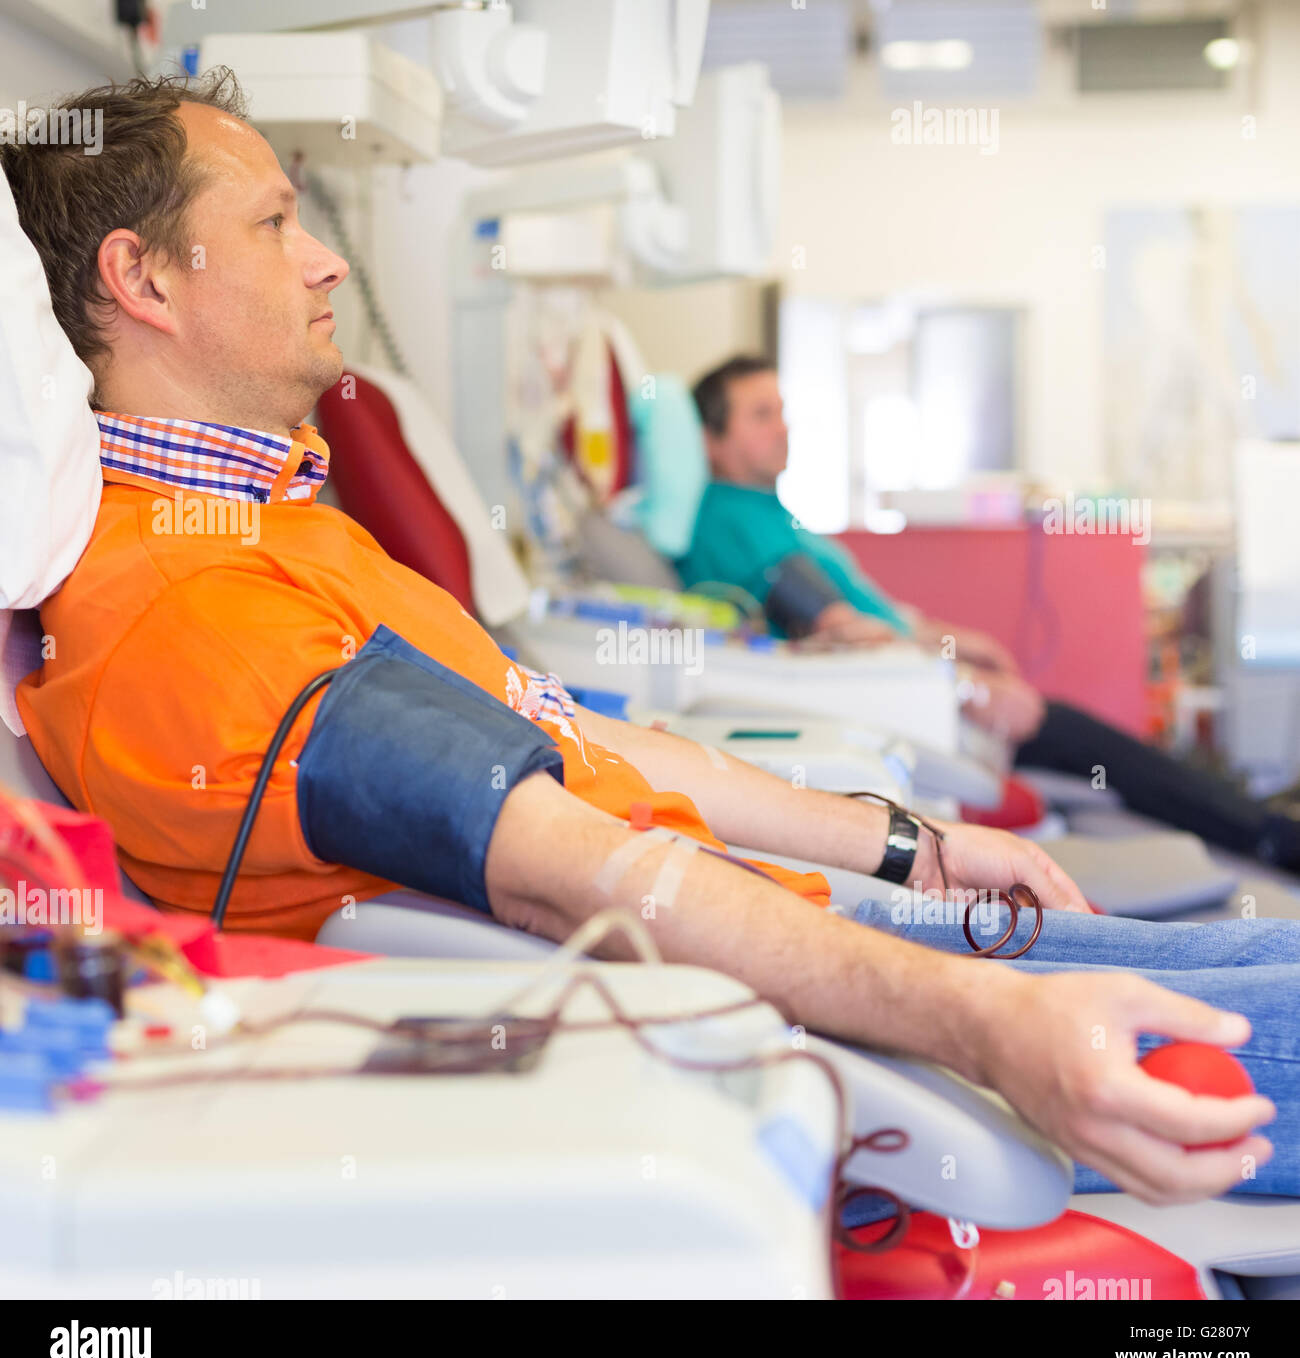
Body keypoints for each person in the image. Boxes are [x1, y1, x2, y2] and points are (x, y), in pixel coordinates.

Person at [3, 71, 1291, 1206]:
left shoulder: (275, 527)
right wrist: (989, 1021)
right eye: (277, 222)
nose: (326, 258)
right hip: (798, 995)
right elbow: (572, 872)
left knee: (1266, 945)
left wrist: (909, 843)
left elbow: (565, 728)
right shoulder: (196, 612)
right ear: (142, 277)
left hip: (793, 924)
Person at [682, 354, 1300, 870]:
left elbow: (868, 616)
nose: (783, 428)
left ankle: (1254, 823)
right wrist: (970, 689)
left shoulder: (770, 513)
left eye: (784, 412)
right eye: (761, 416)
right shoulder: (731, 523)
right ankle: (1266, 836)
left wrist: (950, 639)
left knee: (1098, 748)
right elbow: (841, 632)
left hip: (923, 680)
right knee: (1092, 745)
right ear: (713, 440)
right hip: (914, 701)